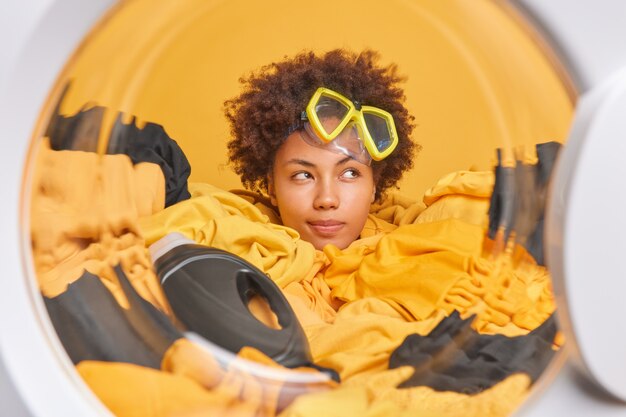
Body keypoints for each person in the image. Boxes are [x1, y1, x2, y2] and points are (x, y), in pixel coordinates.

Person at [224, 49, 419, 250]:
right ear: (271, 186)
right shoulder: (229, 243)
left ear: (373, 185)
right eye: (303, 175)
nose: (327, 200)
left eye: (350, 173)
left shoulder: (418, 252)